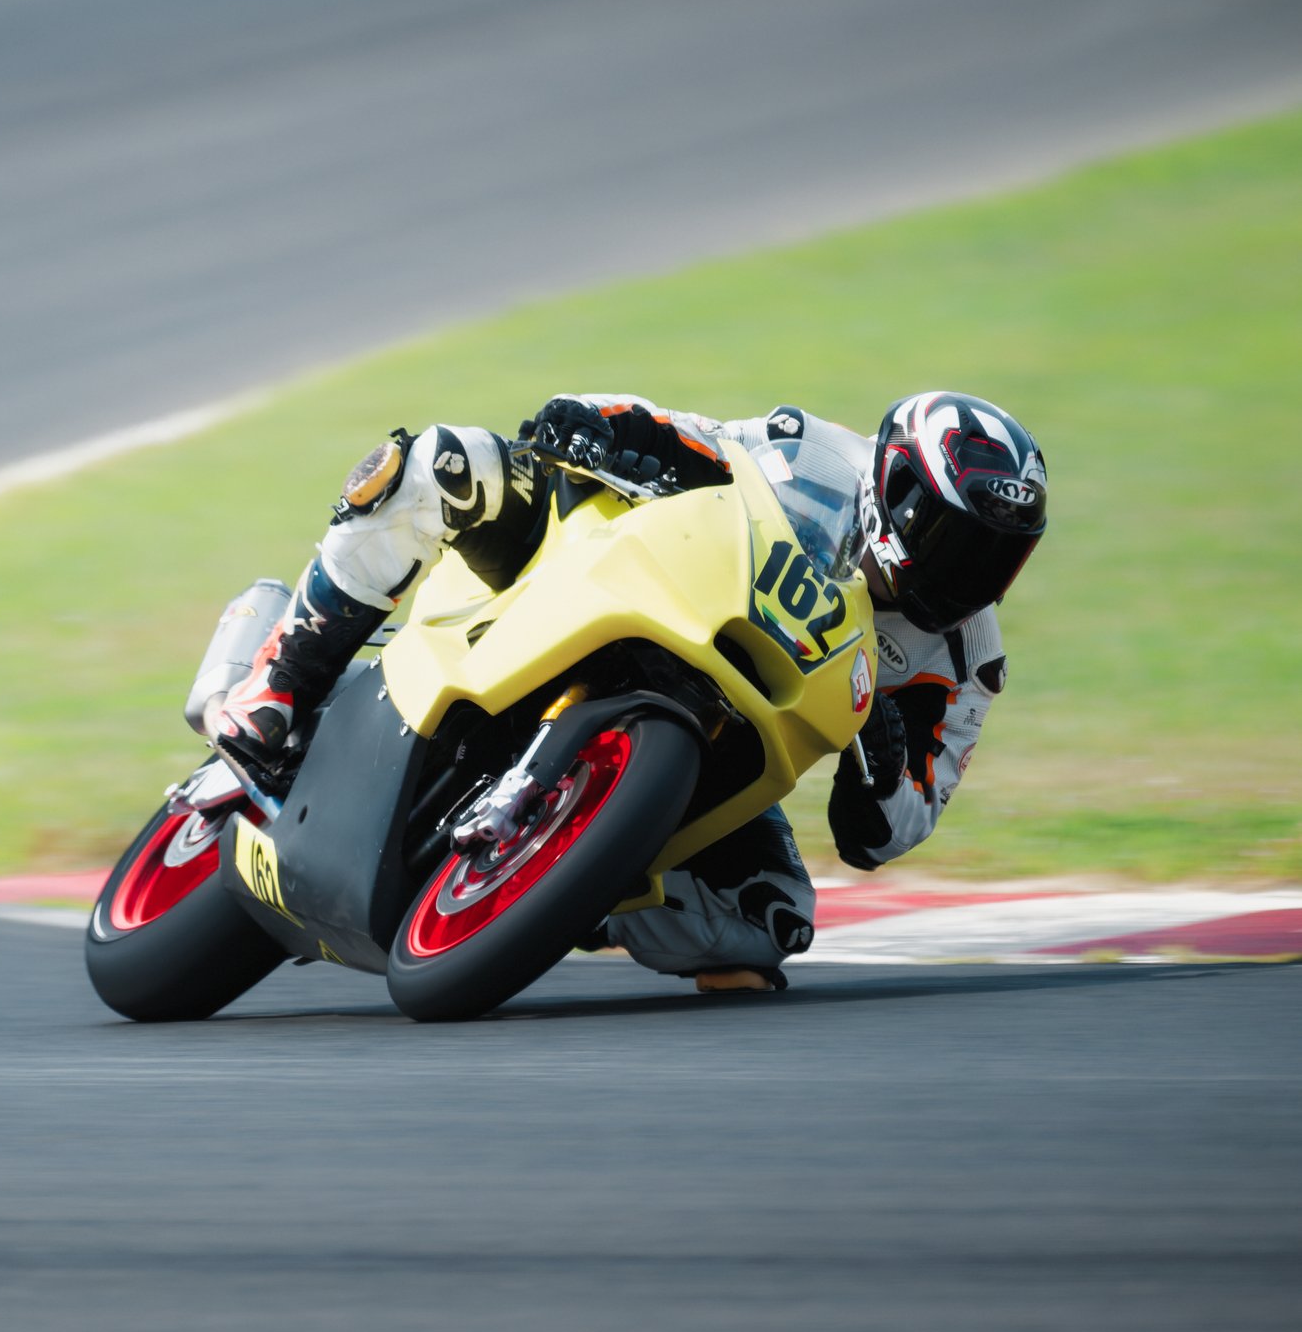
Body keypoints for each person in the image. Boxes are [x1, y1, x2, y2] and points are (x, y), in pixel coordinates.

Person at [206, 391, 1047, 993]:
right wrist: (601, 425)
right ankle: (284, 675)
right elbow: (698, 439)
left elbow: (897, 826)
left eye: (997, 557)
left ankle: (566, 889)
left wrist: (885, 768)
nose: (971, 575)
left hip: (730, 724)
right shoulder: (812, 456)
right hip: (635, 583)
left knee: (766, 927)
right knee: (447, 462)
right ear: (896, 489)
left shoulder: (968, 661)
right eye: (955, 540)